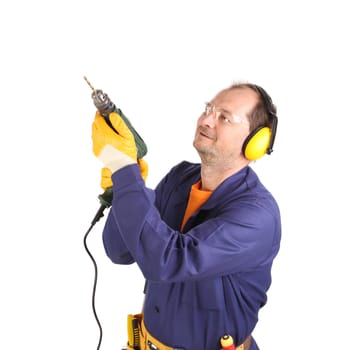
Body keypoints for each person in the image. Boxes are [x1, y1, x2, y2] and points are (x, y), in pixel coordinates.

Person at [91, 82, 281, 350]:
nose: (206, 120)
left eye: (224, 117)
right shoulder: (180, 178)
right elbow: (119, 251)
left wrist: (123, 169)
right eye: (208, 109)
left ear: (256, 143)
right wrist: (125, 185)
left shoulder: (257, 217)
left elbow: (168, 261)